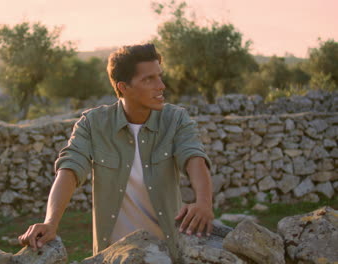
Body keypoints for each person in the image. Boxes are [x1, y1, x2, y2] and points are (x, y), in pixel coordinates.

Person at [18, 43, 213, 260]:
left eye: (159, 76)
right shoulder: (92, 124)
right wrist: (51, 222)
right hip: (113, 256)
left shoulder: (176, 119)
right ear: (123, 87)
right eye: (149, 79)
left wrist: (204, 202)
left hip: (167, 254)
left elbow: (193, 156)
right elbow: (70, 168)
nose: (161, 85)